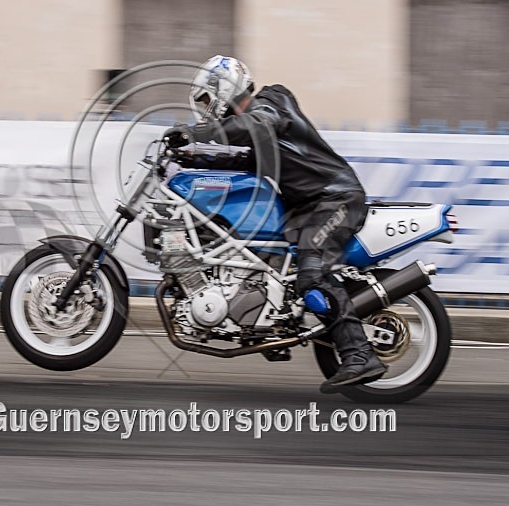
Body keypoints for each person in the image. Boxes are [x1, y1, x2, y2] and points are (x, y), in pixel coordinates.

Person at [164, 55, 386, 393]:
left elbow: (257, 124)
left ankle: (360, 355)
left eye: (208, 99)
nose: (206, 109)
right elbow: (236, 156)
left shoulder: (274, 102)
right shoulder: (254, 129)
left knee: (313, 272)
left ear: (225, 87)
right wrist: (188, 155)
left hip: (333, 198)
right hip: (302, 208)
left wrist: (197, 131)